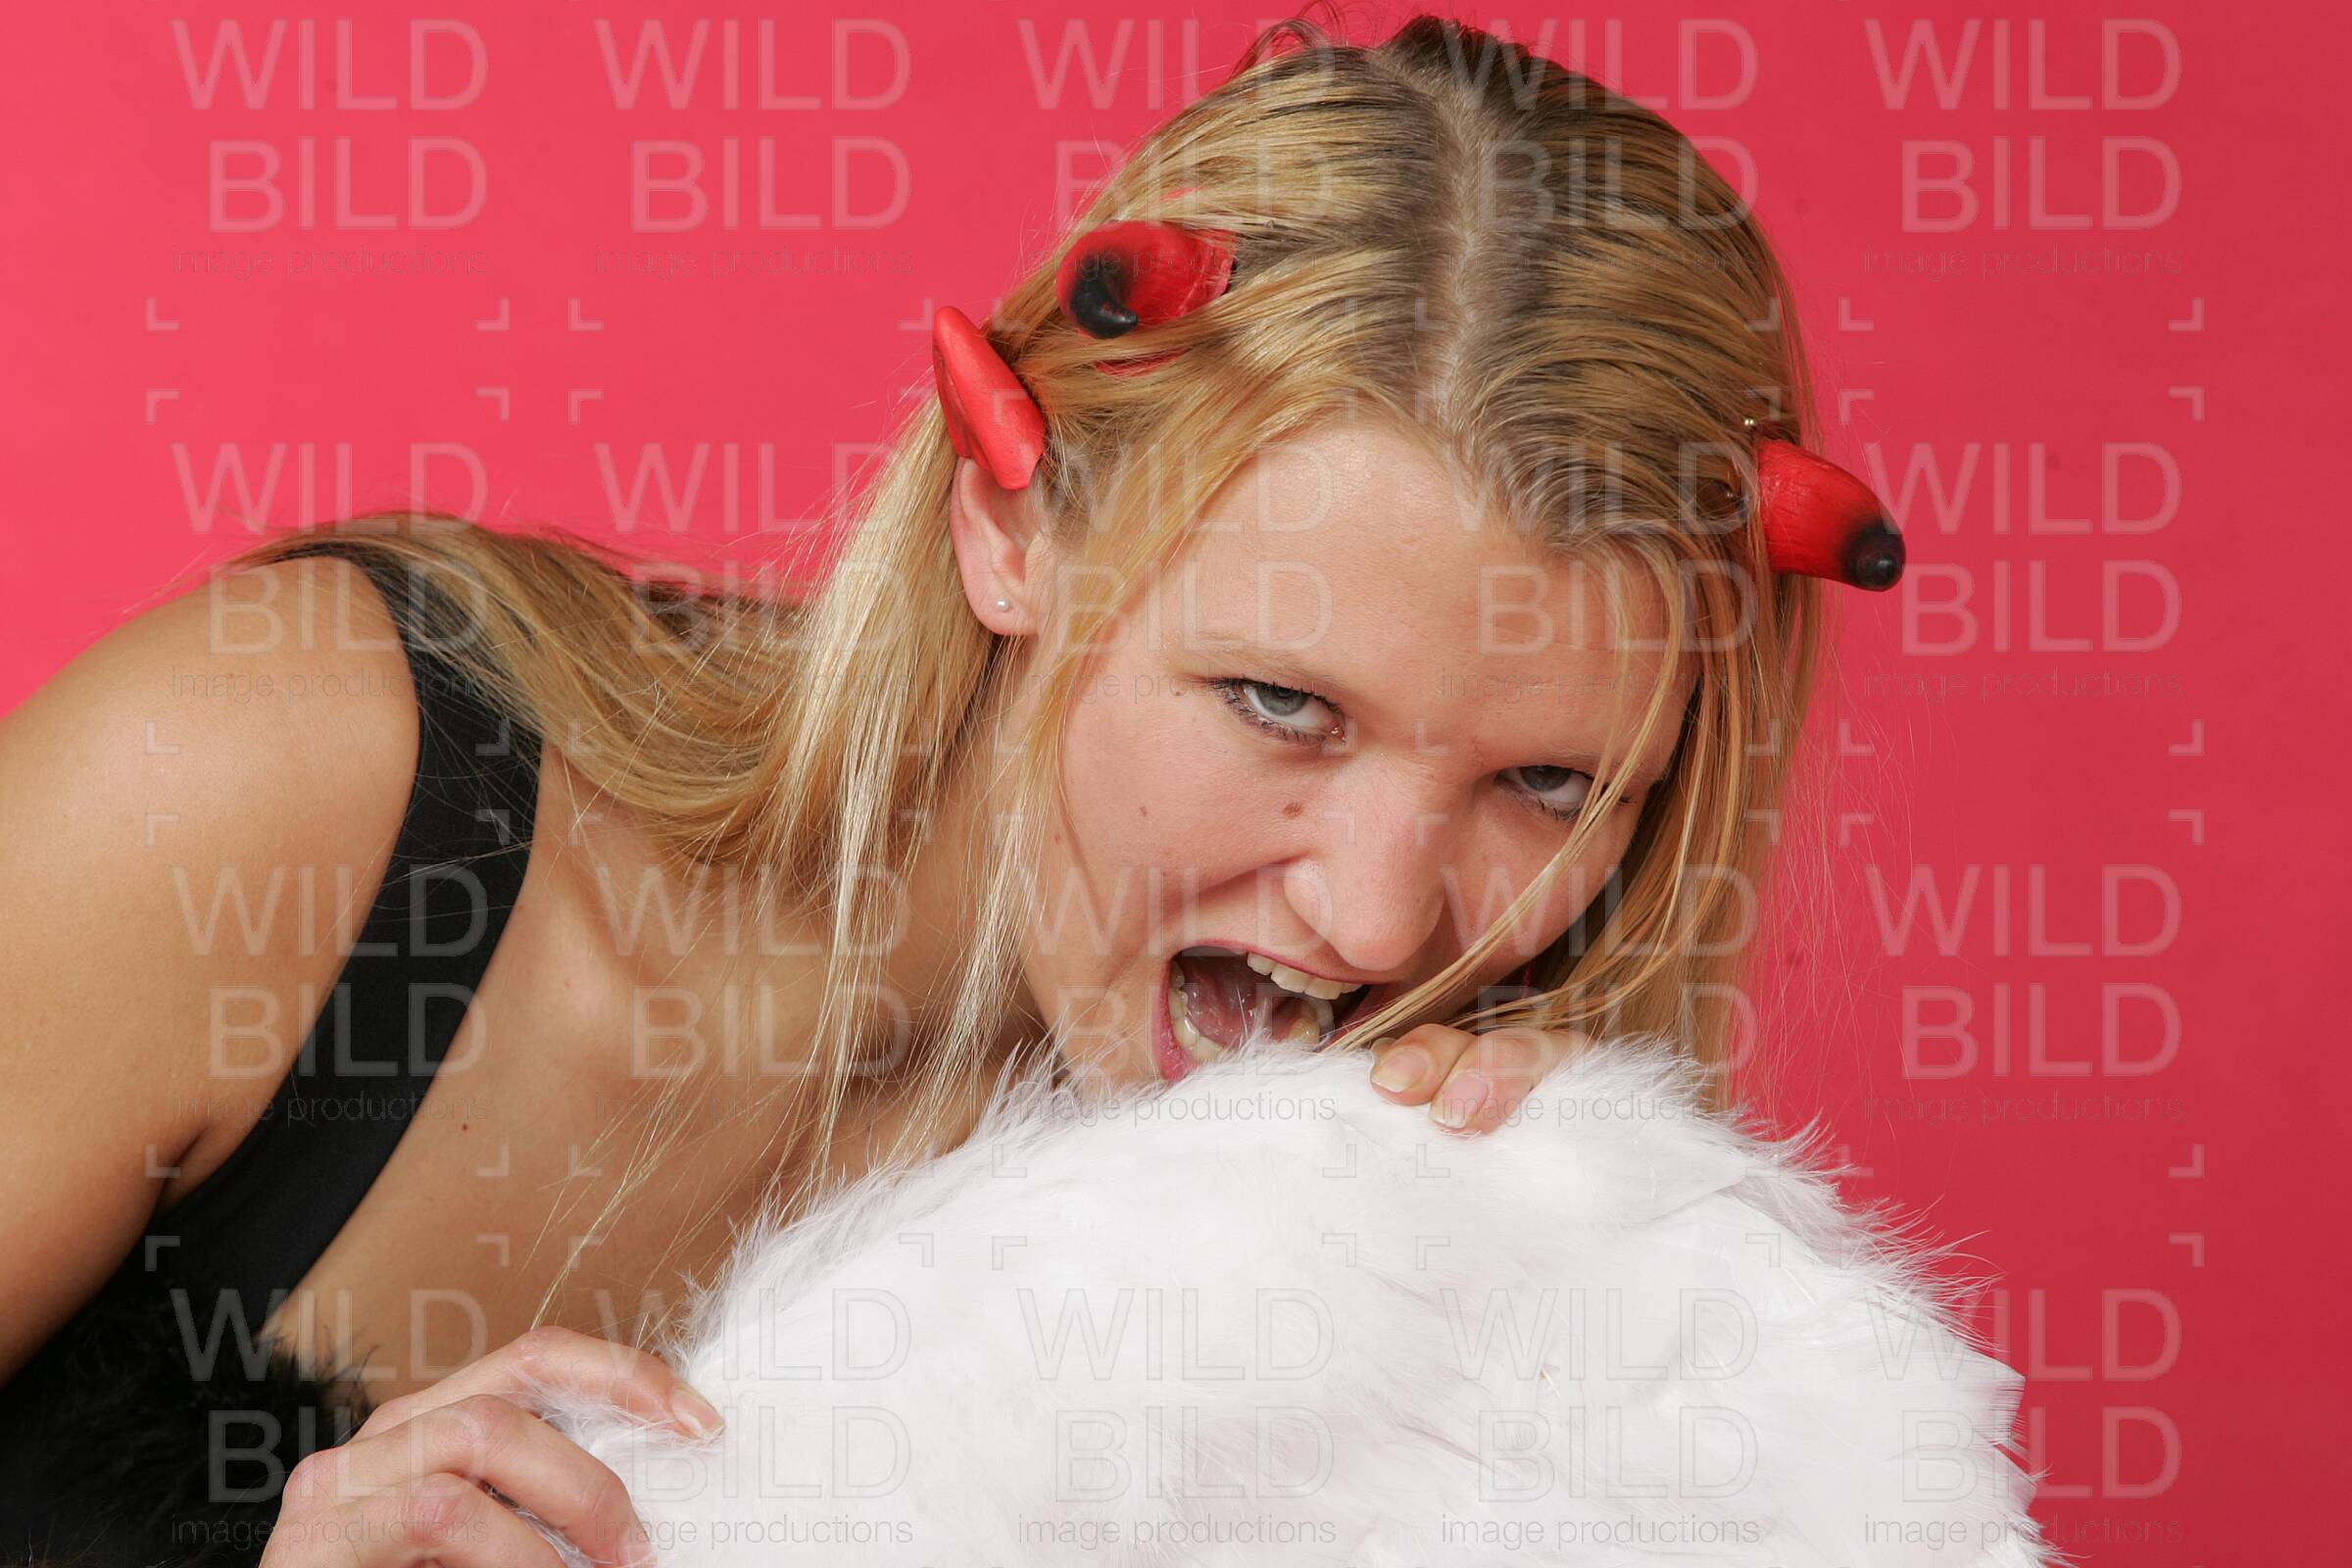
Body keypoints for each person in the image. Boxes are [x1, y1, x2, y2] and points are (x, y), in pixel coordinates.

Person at [0, 13, 1926, 1564]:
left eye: (1548, 782)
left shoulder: (1398, 1230)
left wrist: (1549, 1310)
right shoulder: (282, 788)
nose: (1378, 917)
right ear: (1010, 525)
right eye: (1280, 703)